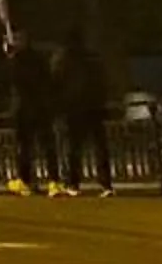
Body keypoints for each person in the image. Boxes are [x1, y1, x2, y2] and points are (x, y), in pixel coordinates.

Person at [54, 30, 113, 194]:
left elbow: (55, 84)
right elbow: (102, 82)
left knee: (72, 148)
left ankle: (72, 183)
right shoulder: (92, 59)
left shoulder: (62, 60)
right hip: (93, 108)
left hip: (72, 110)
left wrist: (58, 107)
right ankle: (105, 183)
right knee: (99, 147)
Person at [8, 35, 59, 194]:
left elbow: (12, 81)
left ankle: (25, 181)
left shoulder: (17, 62)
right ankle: (54, 181)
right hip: (42, 108)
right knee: (48, 147)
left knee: (25, 147)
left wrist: (10, 59)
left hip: (24, 110)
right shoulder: (40, 60)